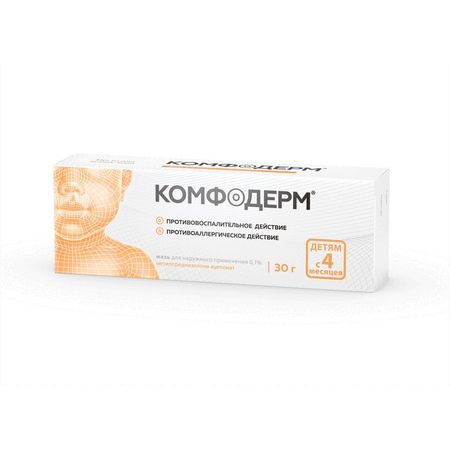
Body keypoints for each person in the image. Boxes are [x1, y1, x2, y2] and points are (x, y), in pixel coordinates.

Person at [54, 166, 158, 279]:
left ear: (123, 181)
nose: (71, 184)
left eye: (93, 168)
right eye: (57, 170)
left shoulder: (132, 262)